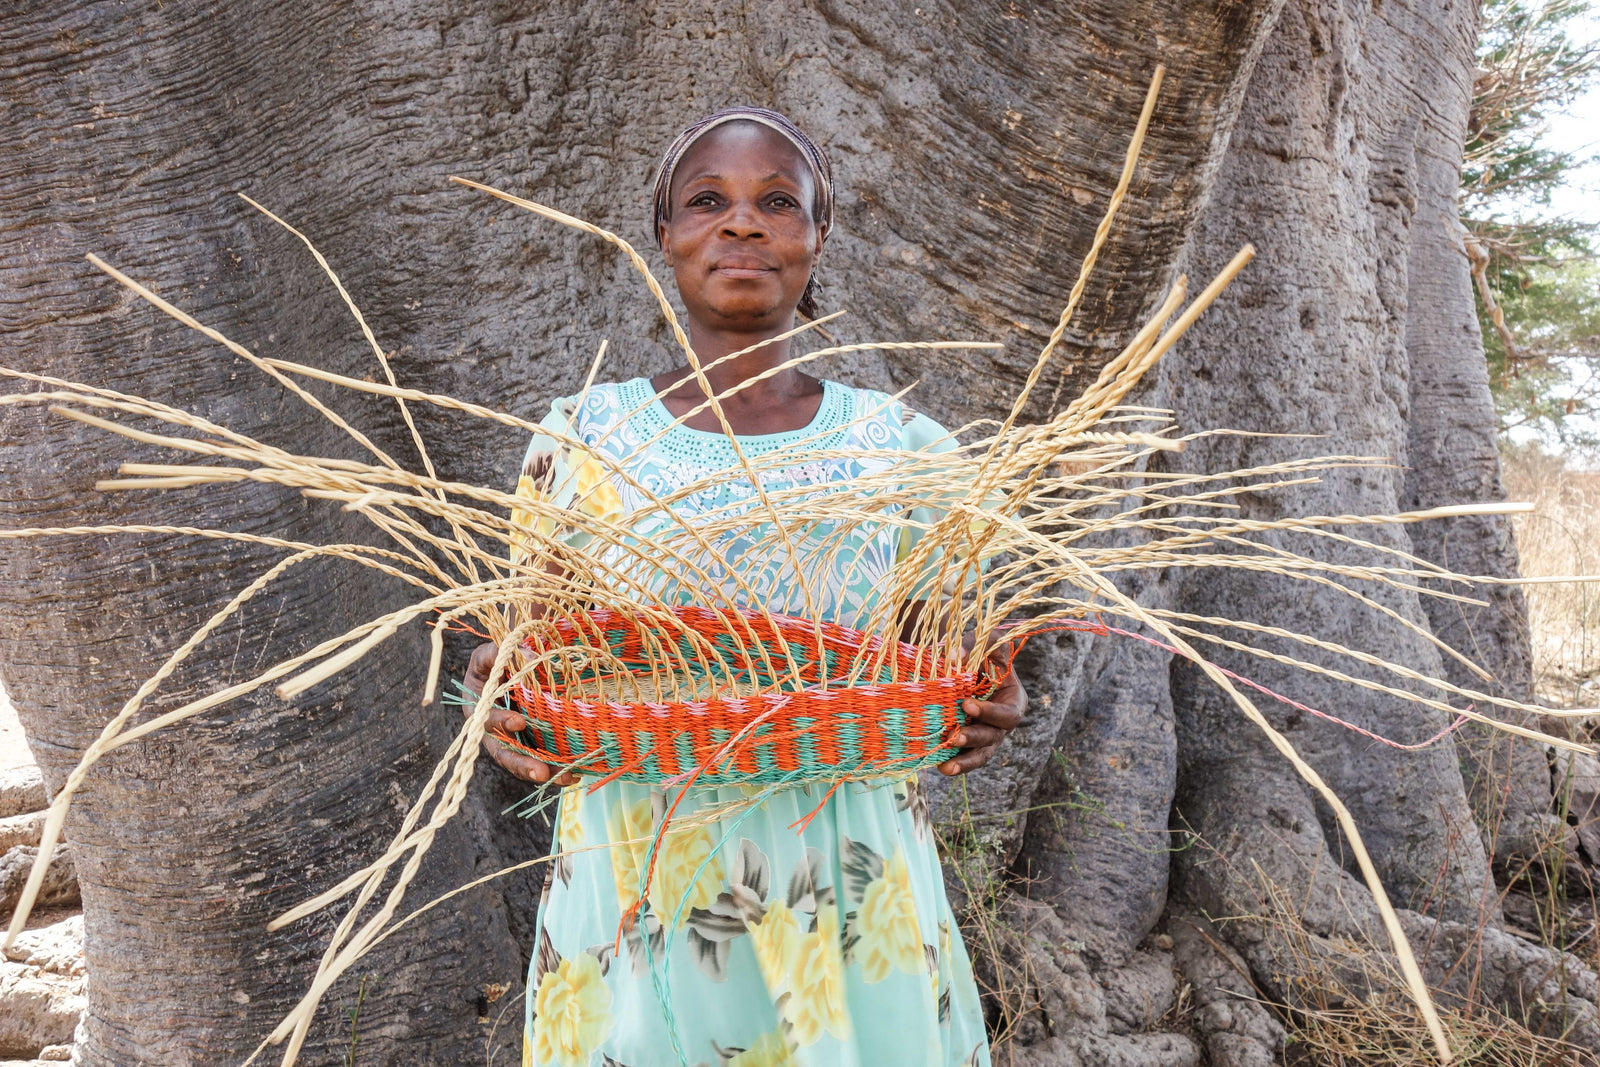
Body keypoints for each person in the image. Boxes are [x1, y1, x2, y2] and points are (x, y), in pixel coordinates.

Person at [463, 106, 1027, 1067]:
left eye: (778, 202)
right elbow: (532, 645)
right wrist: (499, 683)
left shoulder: (903, 452)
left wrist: (995, 691)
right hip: (641, 872)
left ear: (818, 235)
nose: (743, 224)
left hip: (847, 883)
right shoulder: (583, 444)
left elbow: (960, 655)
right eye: (707, 201)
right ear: (666, 235)